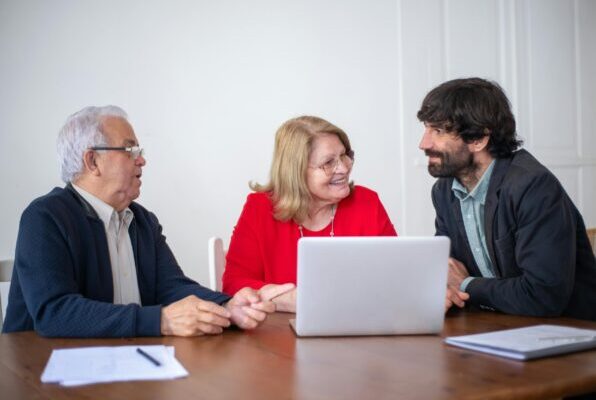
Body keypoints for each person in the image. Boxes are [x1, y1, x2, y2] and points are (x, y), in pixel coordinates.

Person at [3, 106, 292, 338]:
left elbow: (172, 287)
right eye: (130, 151)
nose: (142, 161)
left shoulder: (142, 221)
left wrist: (227, 306)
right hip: (41, 371)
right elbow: (56, 313)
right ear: (92, 161)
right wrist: (161, 320)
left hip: (126, 364)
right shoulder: (44, 217)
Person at [417, 77, 596, 320]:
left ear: (478, 139)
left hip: (568, 335)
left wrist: (466, 284)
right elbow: (447, 269)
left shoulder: (533, 186)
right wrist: (446, 287)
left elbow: (542, 296)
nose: (423, 143)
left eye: (438, 131)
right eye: (426, 128)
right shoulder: (444, 191)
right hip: (496, 327)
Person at [222, 116, 397, 312]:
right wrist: (288, 299)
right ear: (296, 172)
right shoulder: (260, 208)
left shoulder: (367, 203)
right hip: (278, 336)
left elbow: (395, 276)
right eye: (329, 162)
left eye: (345, 155)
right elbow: (233, 284)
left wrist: (274, 297)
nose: (344, 167)